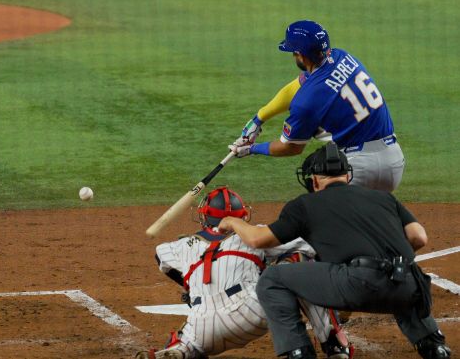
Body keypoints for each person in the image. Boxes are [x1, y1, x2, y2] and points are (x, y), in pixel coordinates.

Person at [218, 143, 450, 359]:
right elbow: (419, 237)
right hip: (410, 287)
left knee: (272, 279)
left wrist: (232, 221)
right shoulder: (384, 198)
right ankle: (434, 345)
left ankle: (297, 351)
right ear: (348, 176)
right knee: (401, 275)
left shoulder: (304, 205)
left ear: (315, 181)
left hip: (356, 285)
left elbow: (258, 240)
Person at [135, 186, 351, 359]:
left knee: (189, 337)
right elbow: (308, 246)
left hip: (203, 327)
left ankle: (179, 351)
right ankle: (334, 344)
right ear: (241, 215)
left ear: (204, 217)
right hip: (251, 313)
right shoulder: (252, 234)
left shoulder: (183, 246)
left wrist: (189, 286)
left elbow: (160, 255)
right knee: (300, 262)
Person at [229, 20, 405, 192]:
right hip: (394, 160)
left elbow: (292, 147)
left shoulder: (306, 102)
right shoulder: (342, 56)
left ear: (300, 55)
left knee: (320, 203)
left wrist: (252, 149)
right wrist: (259, 118)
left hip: (357, 169)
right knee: (376, 218)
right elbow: (297, 86)